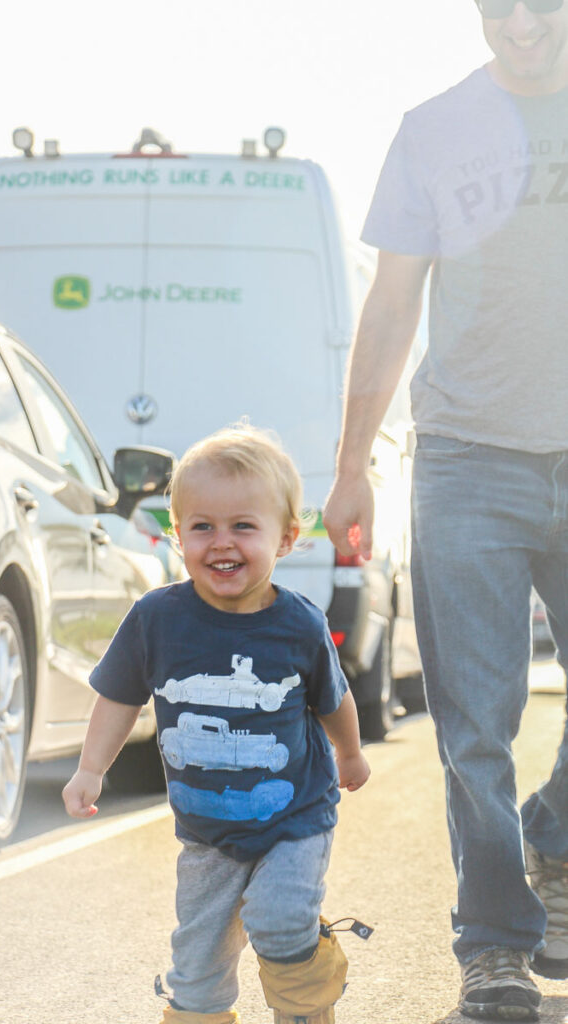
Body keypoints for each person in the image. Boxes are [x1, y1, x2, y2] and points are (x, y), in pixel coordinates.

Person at [323, 0, 568, 1020]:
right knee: (475, 727)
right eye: (497, 2)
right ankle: (495, 947)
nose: (518, 22)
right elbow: (390, 303)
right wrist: (350, 466)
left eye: (540, 3)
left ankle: (548, 837)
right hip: (466, 458)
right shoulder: (432, 129)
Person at [63, 423, 371, 1024]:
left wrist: (351, 754)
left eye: (242, 526)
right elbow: (120, 696)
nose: (220, 542)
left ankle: (306, 1008)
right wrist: (89, 767)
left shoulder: (300, 624)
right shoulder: (157, 618)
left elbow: (334, 698)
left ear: (285, 539)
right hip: (206, 836)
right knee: (197, 967)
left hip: (294, 817)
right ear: (178, 535)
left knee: (281, 919)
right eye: (202, 526)